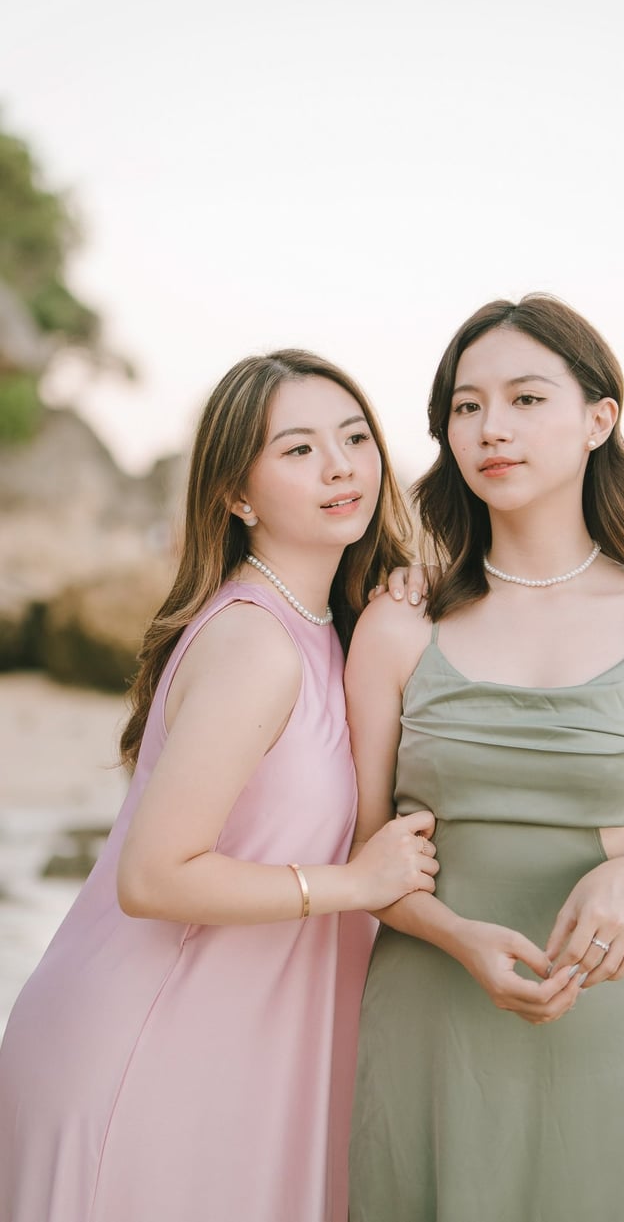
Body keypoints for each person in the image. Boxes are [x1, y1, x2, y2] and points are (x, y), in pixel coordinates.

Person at [0, 349, 439, 1222]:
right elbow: (153, 875)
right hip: (142, 1045)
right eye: (299, 449)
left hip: (233, 1044)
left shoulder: (326, 629)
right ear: (237, 494)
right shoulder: (255, 646)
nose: (342, 464)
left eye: (355, 437)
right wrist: (353, 883)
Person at [345, 296, 624, 1222]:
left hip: (598, 1012)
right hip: (426, 1012)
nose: (492, 429)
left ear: (599, 419)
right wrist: (458, 937)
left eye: (524, 398)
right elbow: (366, 855)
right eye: (467, 405)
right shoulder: (400, 619)